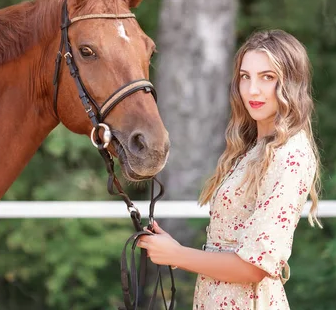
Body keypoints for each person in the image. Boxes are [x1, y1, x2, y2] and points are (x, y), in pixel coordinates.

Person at [138, 29, 322, 309]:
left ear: (291, 83)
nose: (252, 90)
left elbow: (253, 267)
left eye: (267, 77)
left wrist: (176, 255)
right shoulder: (254, 148)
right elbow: (230, 247)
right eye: (245, 77)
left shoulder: (290, 155)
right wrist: (171, 249)